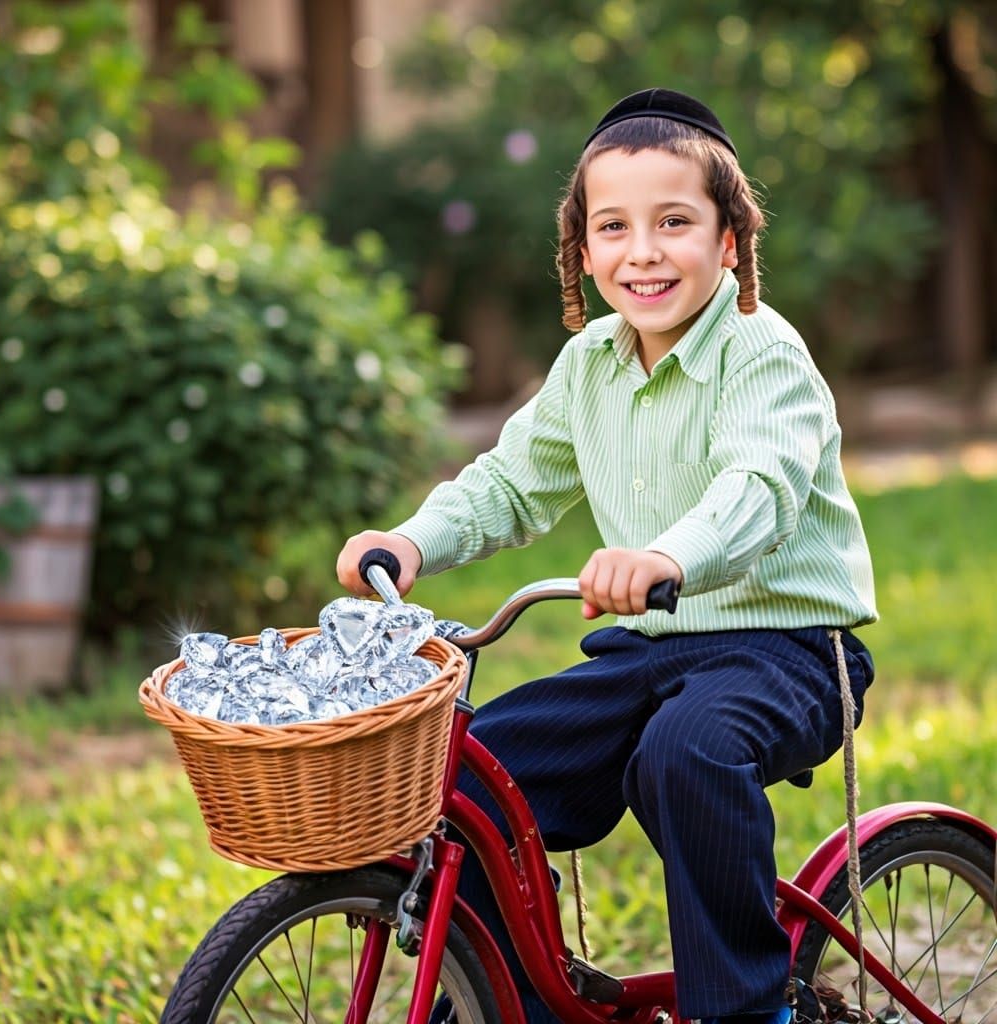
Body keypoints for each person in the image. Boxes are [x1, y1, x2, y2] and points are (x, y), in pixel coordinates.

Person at [337, 87, 877, 1024]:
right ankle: (524, 1005)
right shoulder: (589, 361)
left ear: (730, 240)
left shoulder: (762, 351)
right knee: (461, 786)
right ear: (582, 252)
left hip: (787, 648)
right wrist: (412, 540)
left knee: (684, 752)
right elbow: (511, 483)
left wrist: (667, 554)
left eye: (675, 222)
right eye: (614, 227)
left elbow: (759, 487)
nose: (644, 252)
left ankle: (750, 1009)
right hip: (651, 647)